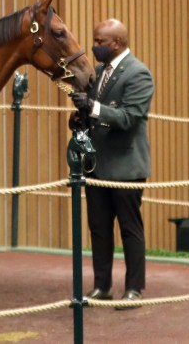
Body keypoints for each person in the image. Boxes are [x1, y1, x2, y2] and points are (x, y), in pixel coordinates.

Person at [71, 18, 155, 308]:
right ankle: (101, 286)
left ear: (116, 43)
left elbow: (130, 117)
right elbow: (97, 115)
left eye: (100, 42)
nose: (94, 46)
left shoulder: (138, 73)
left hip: (125, 167)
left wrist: (93, 107)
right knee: (99, 228)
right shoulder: (98, 73)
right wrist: (81, 116)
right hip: (97, 165)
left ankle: (134, 289)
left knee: (130, 229)